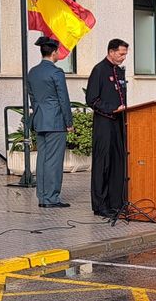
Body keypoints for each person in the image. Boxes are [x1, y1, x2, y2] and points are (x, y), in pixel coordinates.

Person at [24, 33, 74, 209]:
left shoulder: (33, 72)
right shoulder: (56, 72)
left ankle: (43, 197)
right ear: (54, 53)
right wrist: (69, 122)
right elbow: (63, 99)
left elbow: (32, 98)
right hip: (55, 121)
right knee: (53, 161)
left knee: (42, 159)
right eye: (58, 52)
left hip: (40, 120)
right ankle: (51, 198)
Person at [86, 38, 130, 218]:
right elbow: (92, 99)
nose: (124, 57)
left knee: (117, 163)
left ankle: (116, 202)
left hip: (119, 123)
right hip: (104, 123)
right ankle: (100, 205)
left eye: (125, 54)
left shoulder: (119, 71)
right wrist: (112, 109)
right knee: (103, 163)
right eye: (121, 54)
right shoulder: (99, 70)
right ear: (111, 52)